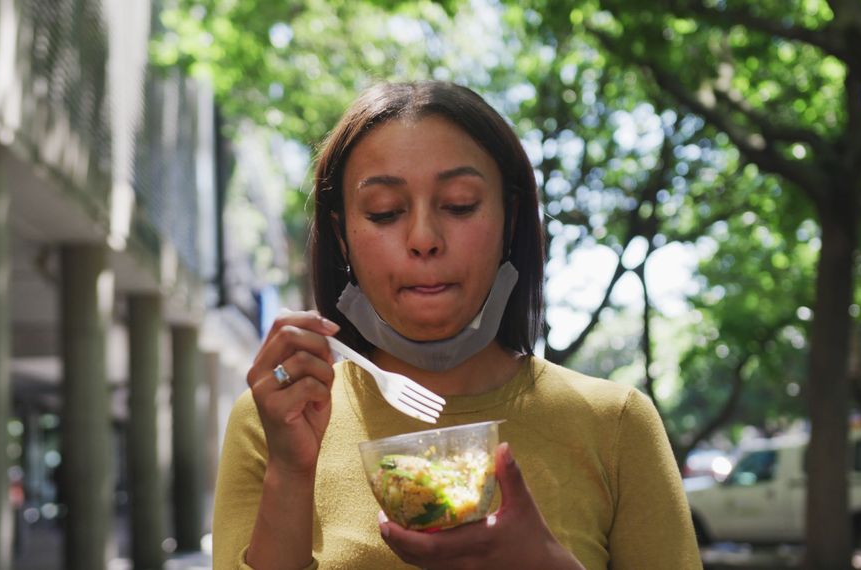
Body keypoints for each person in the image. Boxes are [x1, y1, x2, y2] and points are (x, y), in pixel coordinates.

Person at [212, 81, 701, 569]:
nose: (424, 238)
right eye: (384, 212)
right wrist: (291, 475)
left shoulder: (617, 425)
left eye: (460, 204)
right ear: (342, 237)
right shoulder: (277, 421)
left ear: (510, 222)